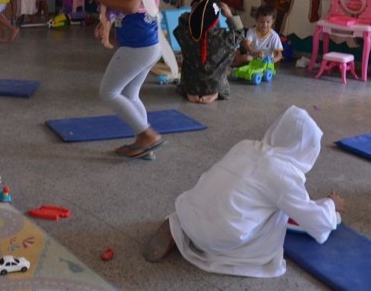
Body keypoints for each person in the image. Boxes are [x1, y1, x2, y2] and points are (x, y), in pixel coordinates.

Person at [144, 106, 344, 280]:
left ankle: (179, 228)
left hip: (188, 212)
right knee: (280, 209)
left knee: (248, 194)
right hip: (217, 240)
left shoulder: (246, 145)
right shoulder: (284, 175)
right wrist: (331, 204)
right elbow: (318, 222)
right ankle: (207, 242)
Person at [96, 0, 166, 159]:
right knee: (130, 93)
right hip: (149, 46)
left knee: (109, 92)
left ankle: (147, 135)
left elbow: (132, 6)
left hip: (137, 47)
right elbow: (128, 9)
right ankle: (144, 144)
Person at [174, 0, 244, 104]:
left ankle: (192, 92)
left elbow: (182, 21)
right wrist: (229, 15)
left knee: (191, 70)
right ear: (216, 20)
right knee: (223, 65)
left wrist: (196, 12)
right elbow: (240, 33)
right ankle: (214, 93)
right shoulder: (224, 37)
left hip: (190, 85)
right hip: (214, 85)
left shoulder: (184, 34)